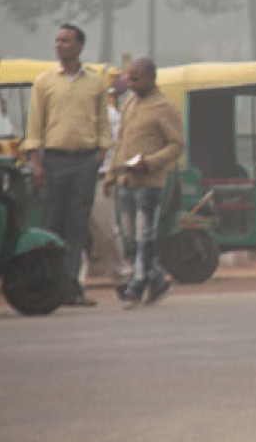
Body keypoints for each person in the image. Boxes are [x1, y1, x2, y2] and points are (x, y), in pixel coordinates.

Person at [21, 24, 111, 306]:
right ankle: (49, 286)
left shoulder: (95, 82)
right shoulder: (45, 81)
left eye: (66, 41)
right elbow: (35, 126)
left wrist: (100, 152)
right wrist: (36, 163)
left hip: (85, 161)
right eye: (57, 40)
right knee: (51, 226)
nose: (59, 45)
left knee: (77, 227)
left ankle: (72, 287)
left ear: (80, 46)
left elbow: (103, 124)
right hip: (54, 162)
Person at [104, 58, 183, 305]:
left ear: (151, 77)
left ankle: (136, 287)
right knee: (130, 239)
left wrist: (149, 162)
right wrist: (110, 175)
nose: (131, 82)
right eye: (129, 78)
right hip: (125, 181)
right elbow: (121, 142)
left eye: (136, 78)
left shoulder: (164, 107)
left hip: (149, 182)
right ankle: (157, 279)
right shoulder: (129, 104)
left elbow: (177, 145)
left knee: (144, 235)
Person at [86, 73, 133, 286]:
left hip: (101, 177)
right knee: (72, 230)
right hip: (74, 175)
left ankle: (121, 274)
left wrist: (111, 177)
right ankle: (73, 282)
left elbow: (117, 149)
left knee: (106, 229)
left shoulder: (110, 115)